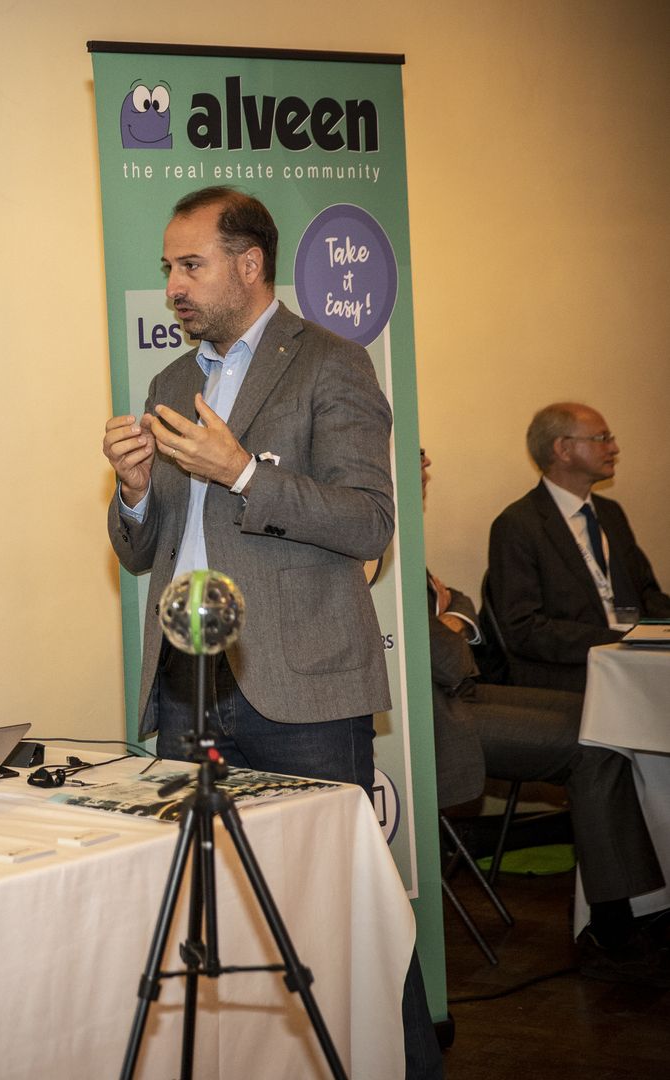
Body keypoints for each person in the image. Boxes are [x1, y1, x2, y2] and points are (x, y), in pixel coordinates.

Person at [102, 188, 441, 1078]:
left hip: (303, 686)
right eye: (168, 269)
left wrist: (244, 472)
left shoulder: (331, 362)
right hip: (189, 681)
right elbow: (143, 549)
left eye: (191, 266)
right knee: (206, 915)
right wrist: (132, 493)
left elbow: (370, 521)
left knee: (340, 906)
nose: (173, 287)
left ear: (249, 265)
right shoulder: (171, 384)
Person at [424, 449, 666, 985]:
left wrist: (449, 618)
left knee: (599, 718)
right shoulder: (370, 543)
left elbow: (457, 602)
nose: (426, 464)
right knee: (592, 741)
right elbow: (449, 656)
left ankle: (644, 902)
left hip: (462, 691)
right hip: (434, 711)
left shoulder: (391, 534)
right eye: (417, 457)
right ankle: (613, 924)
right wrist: (450, 626)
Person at [486, 402, 670, 694]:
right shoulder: (518, 525)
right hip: (572, 673)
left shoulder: (611, 513)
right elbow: (524, 628)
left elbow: (646, 592)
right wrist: (616, 642)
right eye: (602, 438)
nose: (614, 448)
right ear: (563, 449)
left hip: (635, 661)